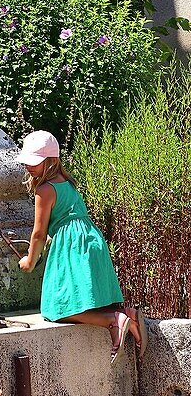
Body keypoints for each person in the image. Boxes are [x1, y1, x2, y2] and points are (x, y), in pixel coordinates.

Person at [18, 130, 148, 364]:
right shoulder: (68, 183)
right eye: (27, 161)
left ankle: (113, 321)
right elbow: (66, 218)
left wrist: (29, 260)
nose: (29, 166)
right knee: (83, 299)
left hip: (72, 247)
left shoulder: (44, 190)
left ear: (51, 161)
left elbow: (38, 232)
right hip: (91, 240)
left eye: (34, 162)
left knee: (60, 309)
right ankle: (128, 315)